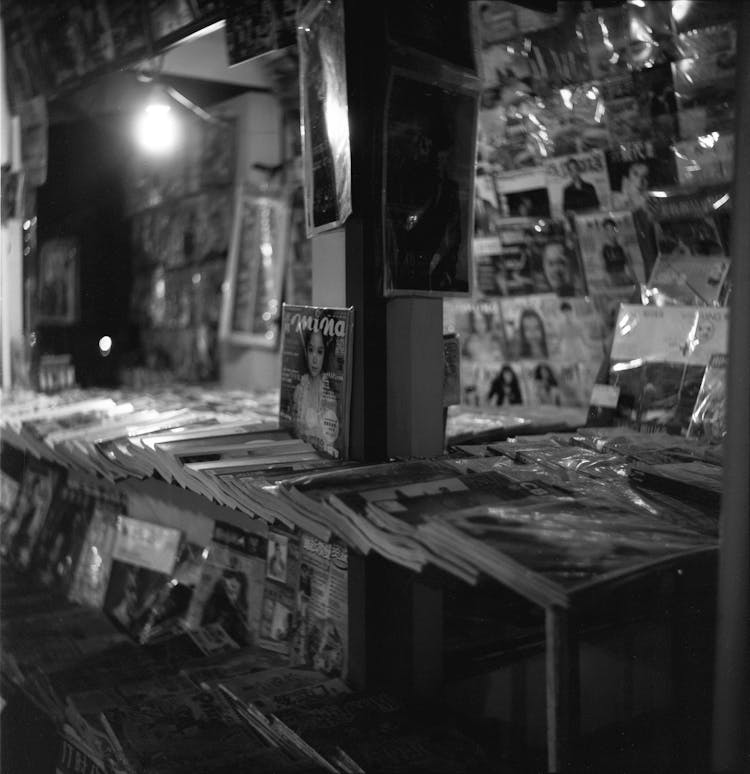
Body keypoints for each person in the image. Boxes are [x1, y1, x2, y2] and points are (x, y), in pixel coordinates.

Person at [293, 329, 338, 448]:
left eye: (319, 352)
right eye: (311, 350)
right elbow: (295, 432)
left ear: (325, 354)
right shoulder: (299, 390)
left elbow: (330, 441)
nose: (314, 359)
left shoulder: (330, 397)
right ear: (305, 351)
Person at [200, 568, 251, 646]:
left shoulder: (241, 609)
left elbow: (242, 637)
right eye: (229, 577)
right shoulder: (215, 601)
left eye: (238, 580)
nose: (233, 581)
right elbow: (206, 624)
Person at [601, 218, 635, 286]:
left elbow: (630, 262)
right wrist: (607, 279)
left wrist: (624, 247)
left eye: (612, 229)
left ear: (615, 230)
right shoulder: (603, 248)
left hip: (624, 275)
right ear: (605, 231)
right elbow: (602, 266)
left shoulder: (621, 245)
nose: (610, 232)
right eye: (607, 230)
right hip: (611, 278)